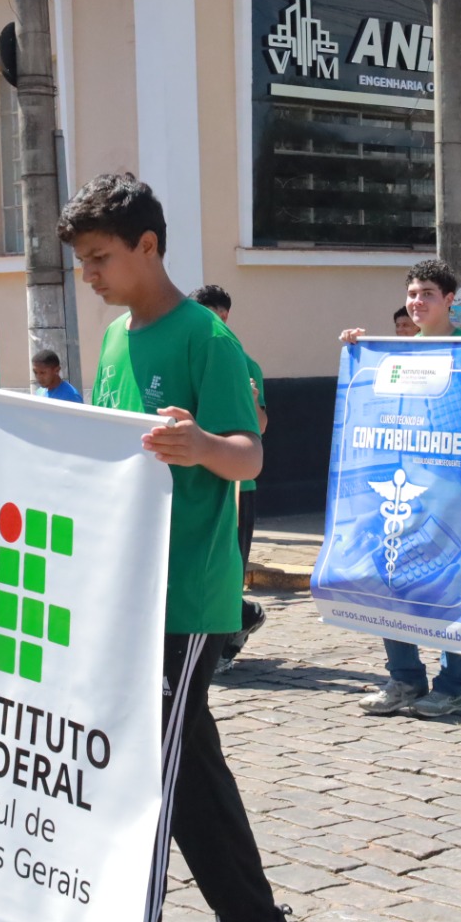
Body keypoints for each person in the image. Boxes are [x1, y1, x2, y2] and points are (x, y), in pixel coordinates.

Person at [52, 174, 295, 922]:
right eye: (81, 262)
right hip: (124, 591)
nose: (89, 275)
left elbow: (249, 456)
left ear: (148, 246)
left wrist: (200, 444)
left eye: (99, 258)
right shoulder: (116, 337)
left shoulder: (205, 337)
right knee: (184, 766)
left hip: (182, 599)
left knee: (142, 783)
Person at [339, 259, 461, 718]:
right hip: (402, 488)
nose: (417, 302)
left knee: (450, 583)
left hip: (453, 493)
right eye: (412, 294)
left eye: (427, 293)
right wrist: (356, 349)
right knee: (389, 576)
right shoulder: (395, 353)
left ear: (449, 299)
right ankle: (404, 678)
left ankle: (452, 686)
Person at [189, 283, 269, 673]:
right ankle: (242, 616)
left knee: (227, 568)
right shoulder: (189, 354)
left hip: (237, 484)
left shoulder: (243, 361)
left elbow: (261, 425)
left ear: (225, 316)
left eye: (212, 316)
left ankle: (224, 641)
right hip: (193, 480)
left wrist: (251, 402)